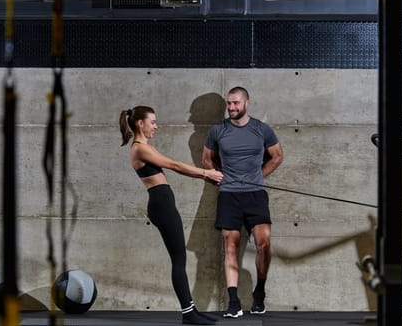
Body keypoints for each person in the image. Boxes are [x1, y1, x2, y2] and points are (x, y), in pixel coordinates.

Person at [119, 106, 223, 325]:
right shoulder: (139, 148)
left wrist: (206, 175)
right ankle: (189, 313)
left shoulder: (145, 147)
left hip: (163, 203)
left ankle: (191, 310)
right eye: (153, 122)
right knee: (179, 259)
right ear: (141, 123)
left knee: (179, 259)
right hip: (161, 205)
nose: (156, 126)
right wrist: (206, 173)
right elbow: (174, 165)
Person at [201, 87, 284, 318]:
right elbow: (206, 160)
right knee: (230, 246)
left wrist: (259, 176)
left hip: (255, 194)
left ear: (247, 103)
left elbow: (277, 156)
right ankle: (234, 301)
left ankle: (259, 293)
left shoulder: (261, 129)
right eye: (228, 103)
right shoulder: (218, 131)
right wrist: (217, 176)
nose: (231, 108)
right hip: (229, 195)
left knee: (264, 244)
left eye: (236, 103)